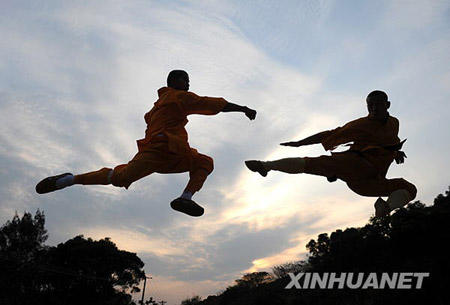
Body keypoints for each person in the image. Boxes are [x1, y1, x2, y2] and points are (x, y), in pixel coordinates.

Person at [36, 70, 257, 217]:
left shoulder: (155, 107)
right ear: (173, 82)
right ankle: (69, 180)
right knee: (121, 177)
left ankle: (185, 199)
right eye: (184, 80)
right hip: (159, 150)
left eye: (188, 81)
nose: (188, 84)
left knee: (204, 161)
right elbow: (211, 103)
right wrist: (243, 109)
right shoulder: (177, 97)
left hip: (175, 152)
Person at [245, 90, 416, 217]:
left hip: (367, 183)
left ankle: (386, 208)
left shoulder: (394, 123)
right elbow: (329, 134)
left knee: (409, 189)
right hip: (354, 164)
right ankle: (265, 166)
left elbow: (390, 141)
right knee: (313, 164)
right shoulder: (360, 125)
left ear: (387, 105)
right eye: (370, 105)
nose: (374, 108)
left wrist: (396, 153)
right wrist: (300, 142)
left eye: (378, 104)